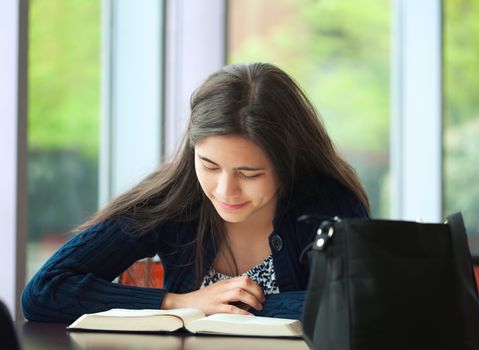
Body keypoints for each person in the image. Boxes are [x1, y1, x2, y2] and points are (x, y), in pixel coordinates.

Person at [21, 62, 369, 323]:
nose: (224, 190)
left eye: (249, 173)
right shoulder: (171, 201)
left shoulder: (327, 204)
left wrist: (235, 307)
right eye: (210, 165)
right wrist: (179, 302)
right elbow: (43, 292)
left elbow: (363, 304)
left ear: (288, 163)